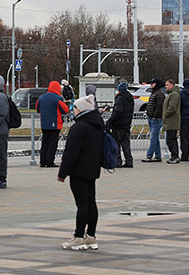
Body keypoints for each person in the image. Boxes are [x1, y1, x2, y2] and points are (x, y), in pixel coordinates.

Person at [57, 94, 102, 251]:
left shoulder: (79, 127)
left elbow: (71, 152)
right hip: (92, 169)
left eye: (75, 107)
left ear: (81, 110)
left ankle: (78, 237)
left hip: (78, 170)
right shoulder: (97, 125)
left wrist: (62, 173)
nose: (73, 110)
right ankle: (91, 236)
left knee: (82, 204)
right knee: (91, 202)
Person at [35, 81, 69, 168]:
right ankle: (50, 161)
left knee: (45, 142)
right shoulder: (57, 98)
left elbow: (37, 109)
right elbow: (65, 110)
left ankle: (43, 162)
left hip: (44, 123)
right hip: (55, 123)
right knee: (52, 144)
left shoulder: (41, 98)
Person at [107, 81, 134, 168]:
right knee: (126, 143)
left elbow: (118, 111)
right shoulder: (130, 98)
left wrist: (111, 120)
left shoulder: (120, 98)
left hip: (118, 125)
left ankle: (117, 161)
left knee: (116, 144)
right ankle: (129, 161)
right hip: (127, 124)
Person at [143, 78, 165, 162]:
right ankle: (158, 156)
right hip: (152, 118)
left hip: (156, 119)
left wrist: (155, 116)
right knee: (155, 138)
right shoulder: (154, 93)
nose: (151, 85)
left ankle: (149, 156)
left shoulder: (159, 94)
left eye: (153, 83)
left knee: (153, 138)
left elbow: (160, 106)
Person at [163, 79, 181, 164]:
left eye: (167, 85)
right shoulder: (171, 94)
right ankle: (174, 155)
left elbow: (172, 107)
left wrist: (166, 114)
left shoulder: (174, 94)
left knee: (171, 140)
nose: (165, 86)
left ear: (172, 85)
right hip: (169, 120)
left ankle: (175, 156)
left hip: (172, 121)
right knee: (170, 139)